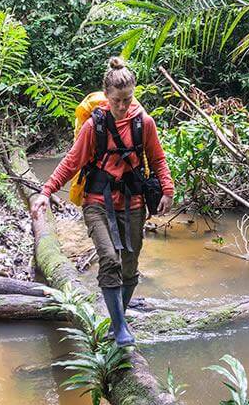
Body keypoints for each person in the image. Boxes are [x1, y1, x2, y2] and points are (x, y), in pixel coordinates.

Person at [31, 57, 174, 347]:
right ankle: (121, 329)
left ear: (134, 93)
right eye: (117, 100)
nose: (123, 106)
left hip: (133, 202)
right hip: (97, 201)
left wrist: (168, 190)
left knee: (130, 266)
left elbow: (157, 158)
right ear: (106, 96)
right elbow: (72, 162)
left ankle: (115, 321)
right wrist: (46, 192)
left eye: (128, 99)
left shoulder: (144, 123)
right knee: (109, 258)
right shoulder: (93, 127)